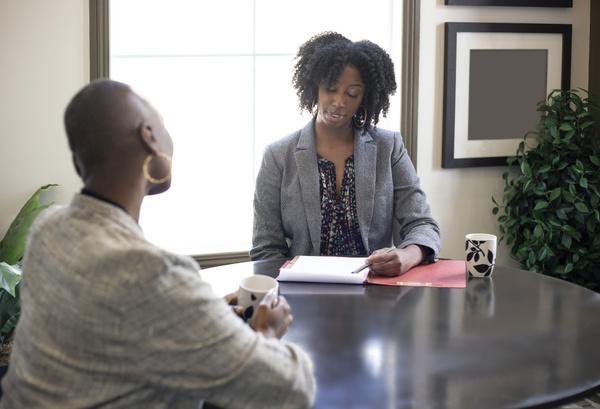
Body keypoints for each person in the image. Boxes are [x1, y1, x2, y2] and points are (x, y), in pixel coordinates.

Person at [0, 80, 315, 408]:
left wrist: (198, 317)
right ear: (149, 136)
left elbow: (106, 330)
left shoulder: (47, 231)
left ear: (80, 164)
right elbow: (289, 388)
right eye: (163, 125)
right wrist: (267, 333)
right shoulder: (149, 272)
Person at [251, 32, 440, 276]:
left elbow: (422, 223)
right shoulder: (278, 156)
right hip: (303, 295)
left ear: (365, 97)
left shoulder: (388, 147)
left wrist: (408, 254)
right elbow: (266, 248)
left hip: (376, 291)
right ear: (315, 87)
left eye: (352, 94)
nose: (339, 101)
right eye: (331, 89)